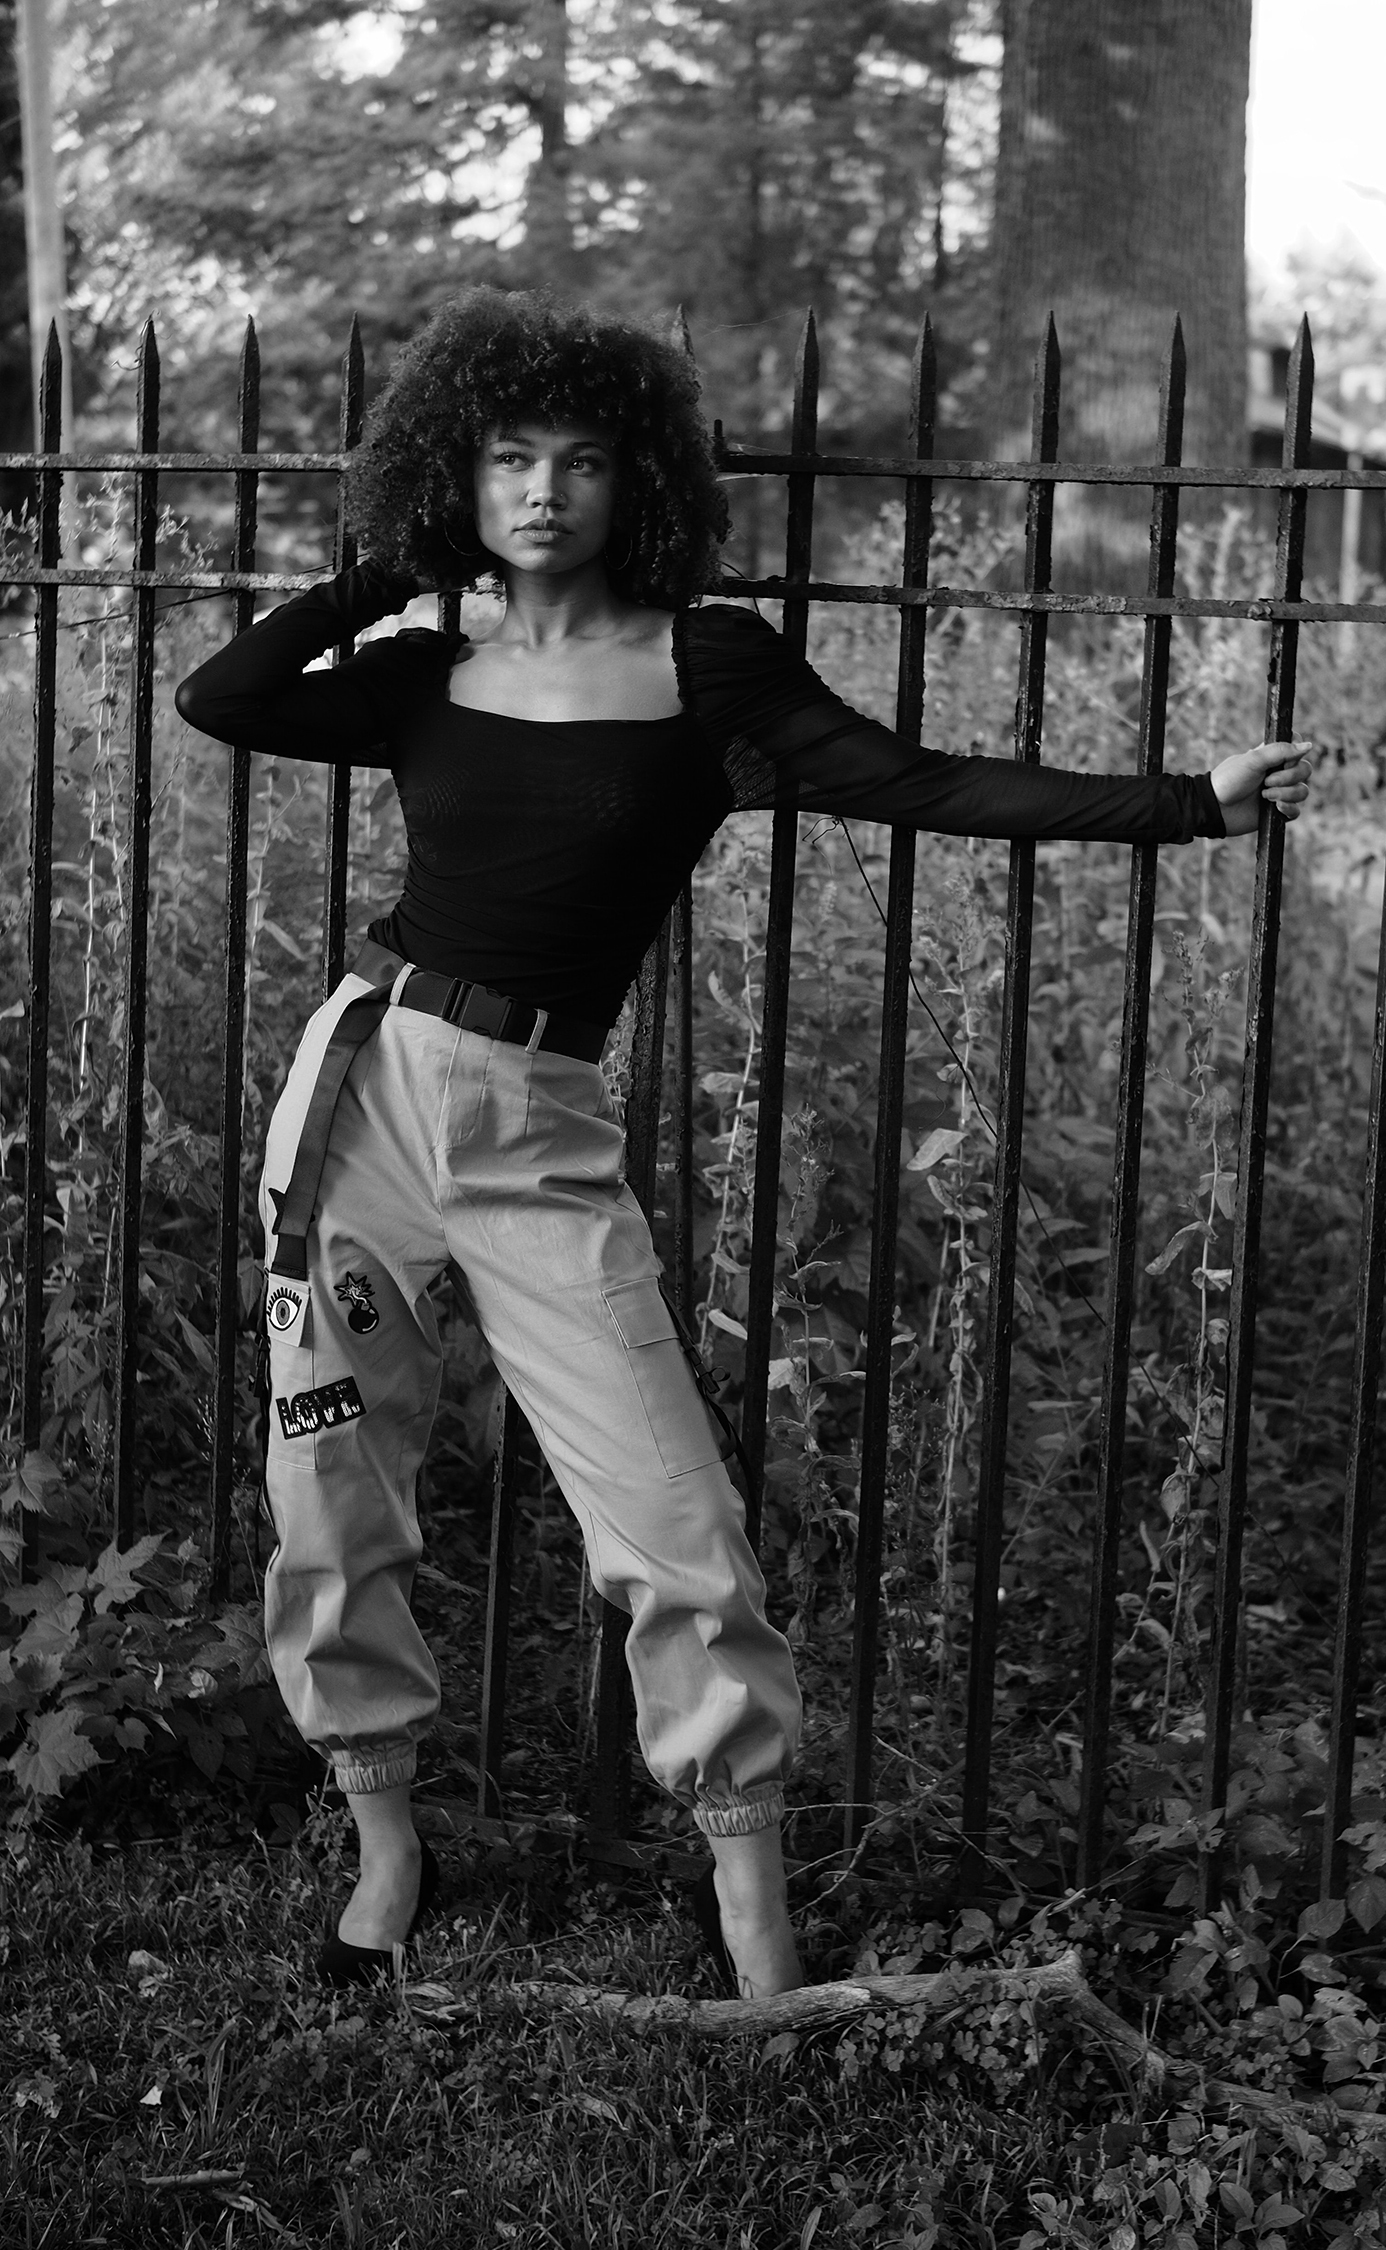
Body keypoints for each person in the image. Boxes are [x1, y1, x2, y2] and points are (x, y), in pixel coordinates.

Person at [175, 287, 1310, 2002]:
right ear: (459, 481)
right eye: (504, 459)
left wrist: (1184, 804)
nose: (543, 491)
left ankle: (757, 1913)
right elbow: (225, 692)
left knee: (671, 1516)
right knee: (330, 1485)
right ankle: (387, 1834)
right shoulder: (425, 667)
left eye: (577, 460)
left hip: (539, 1130)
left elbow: (919, 780)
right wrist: (384, 572)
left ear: (638, 484)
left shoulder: (707, 665)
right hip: (365, 1095)